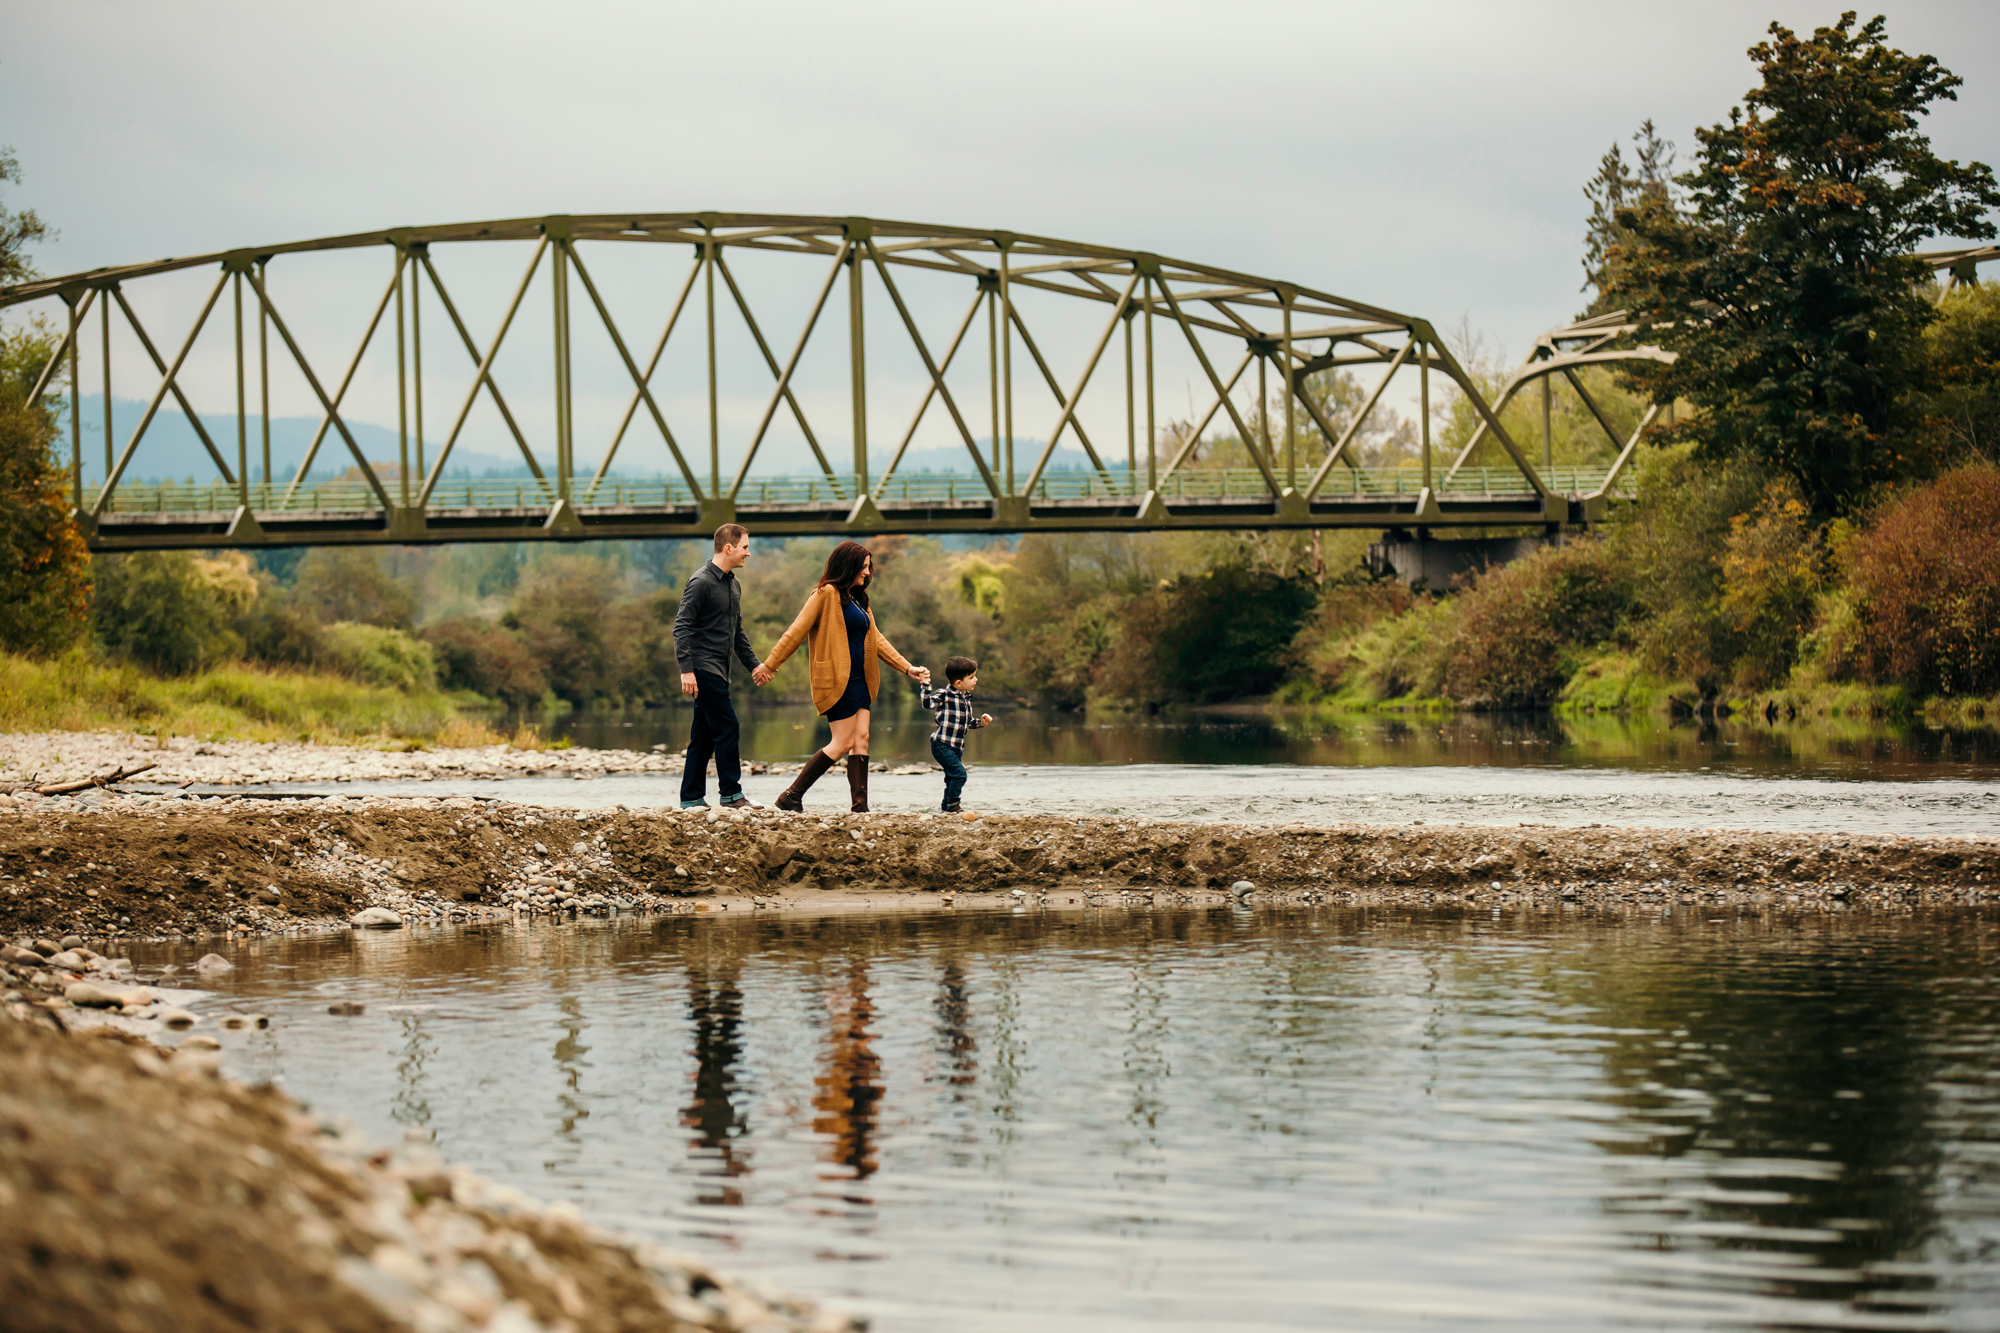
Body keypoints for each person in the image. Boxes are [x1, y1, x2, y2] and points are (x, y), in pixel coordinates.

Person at [757, 541, 930, 813]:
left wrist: (907, 668)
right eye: (863, 566)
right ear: (848, 566)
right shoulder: (825, 593)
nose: (867, 572)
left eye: (868, 566)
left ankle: (860, 808)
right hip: (838, 680)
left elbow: (877, 640)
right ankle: (791, 796)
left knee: (861, 740)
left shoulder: (860, 600)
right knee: (842, 743)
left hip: (862, 680)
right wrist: (770, 664)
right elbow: (796, 630)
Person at [673, 523, 763, 810]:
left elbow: (738, 633)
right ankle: (732, 795)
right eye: (745, 547)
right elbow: (682, 626)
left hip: (720, 671)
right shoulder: (700, 582)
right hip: (702, 667)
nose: (748, 553)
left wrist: (754, 665)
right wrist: (686, 669)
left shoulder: (733, 584)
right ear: (728, 548)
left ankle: (691, 798)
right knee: (727, 726)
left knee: (703, 735)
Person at [918, 656, 993, 813]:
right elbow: (927, 704)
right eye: (972, 677)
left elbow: (966, 722)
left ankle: (946, 808)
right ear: (959, 682)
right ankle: (953, 805)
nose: (976, 680)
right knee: (960, 774)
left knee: (951, 777)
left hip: (956, 746)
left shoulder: (966, 697)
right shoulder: (945, 694)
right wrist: (925, 684)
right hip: (942, 744)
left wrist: (982, 723)